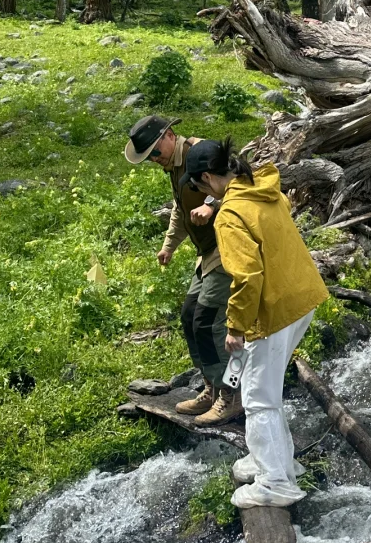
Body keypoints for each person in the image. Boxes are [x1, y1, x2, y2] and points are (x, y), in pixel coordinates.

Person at [177, 137, 328, 508]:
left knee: (258, 397)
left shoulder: (230, 217)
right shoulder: (261, 187)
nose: (199, 195)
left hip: (273, 307)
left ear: (209, 178)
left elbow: (247, 277)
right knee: (266, 385)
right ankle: (278, 460)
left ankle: (275, 482)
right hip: (302, 297)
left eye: (197, 187)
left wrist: (235, 328)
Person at [124, 114, 241, 425]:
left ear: (169, 135)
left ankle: (232, 395)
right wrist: (169, 245)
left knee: (207, 320)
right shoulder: (174, 166)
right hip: (206, 254)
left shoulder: (201, 151)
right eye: (148, 157)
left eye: (155, 152)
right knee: (190, 315)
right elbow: (180, 208)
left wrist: (212, 205)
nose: (153, 159)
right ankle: (211, 388)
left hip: (227, 249)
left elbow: (240, 182)